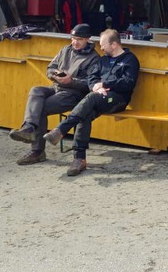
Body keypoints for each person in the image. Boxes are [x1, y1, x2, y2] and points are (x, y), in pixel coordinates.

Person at [43, 29, 141, 176]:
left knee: (90, 99)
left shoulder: (130, 60)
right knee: (85, 113)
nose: (100, 48)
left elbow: (128, 83)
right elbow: (92, 77)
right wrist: (96, 86)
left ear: (114, 44)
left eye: (103, 45)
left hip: (118, 99)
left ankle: (61, 129)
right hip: (98, 96)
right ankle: (79, 159)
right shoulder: (102, 60)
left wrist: (105, 84)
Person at [8, 24, 100, 165]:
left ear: (87, 39)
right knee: (36, 90)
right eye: (73, 38)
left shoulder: (94, 58)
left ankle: (37, 151)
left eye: (79, 39)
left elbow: (91, 84)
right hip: (56, 86)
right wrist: (54, 74)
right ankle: (28, 127)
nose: (75, 42)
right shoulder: (65, 49)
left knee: (40, 108)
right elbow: (50, 68)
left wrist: (71, 81)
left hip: (73, 94)